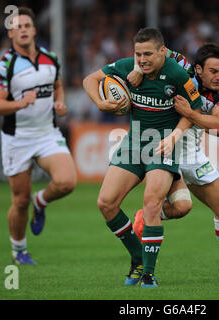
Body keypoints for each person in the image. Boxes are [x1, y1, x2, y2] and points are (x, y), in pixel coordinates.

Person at [130, 43, 219, 282]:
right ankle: (146, 248)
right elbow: (151, 49)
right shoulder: (182, 67)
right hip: (164, 148)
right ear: (198, 69)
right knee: (182, 207)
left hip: (192, 153)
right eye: (214, 71)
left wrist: (192, 113)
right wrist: (136, 67)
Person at [82, 27, 202, 287]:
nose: (142, 59)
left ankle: (148, 273)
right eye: (138, 54)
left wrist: (174, 136)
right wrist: (99, 103)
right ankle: (137, 257)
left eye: (148, 54)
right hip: (134, 141)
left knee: (151, 203)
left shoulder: (178, 74)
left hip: (163, 145)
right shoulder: (127, 67)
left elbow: (193, 111)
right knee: (106, 203)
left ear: (162, 52)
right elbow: (89, 80)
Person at [0, 7, 77, 264]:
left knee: (67, 182)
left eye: (27, 25)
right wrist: (20, 103)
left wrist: (60, 103)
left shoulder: (51, 58)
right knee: (19, 200)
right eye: (18, 26)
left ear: (34, 30)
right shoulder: (4, 66)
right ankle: (19, 251)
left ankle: (41, 201)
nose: (23, 29)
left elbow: (58, 86)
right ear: (11, 32)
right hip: (17, 138)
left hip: (47, 133)